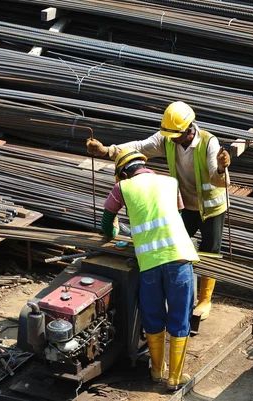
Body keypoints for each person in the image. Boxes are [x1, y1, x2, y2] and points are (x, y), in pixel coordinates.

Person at [88, 101, 230, 322]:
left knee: (210, 251)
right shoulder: (167, 138)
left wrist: (221, 168)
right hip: (184, 203)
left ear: (189, 129)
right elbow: (139, 146)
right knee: (176, 246)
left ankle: (205, 300)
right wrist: (108, 150)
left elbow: (215, 176)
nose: (171, 139)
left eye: (176, 135)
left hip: (211, 207)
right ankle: (179, 291)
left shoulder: (208, 143)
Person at [101, 148, 199, 390]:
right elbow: (174, 215)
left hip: (149, 263)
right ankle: (174, 378)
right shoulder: (170, 182)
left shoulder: (121, 188)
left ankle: (156, 371)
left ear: (123, 173)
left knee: (153, 316)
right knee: (179, 317)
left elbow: (106, 222)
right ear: (143, 166)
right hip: (179, 258)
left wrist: (112, 231)